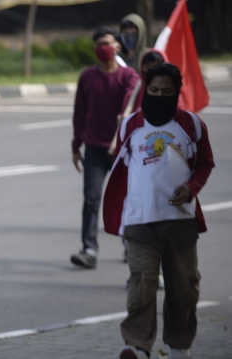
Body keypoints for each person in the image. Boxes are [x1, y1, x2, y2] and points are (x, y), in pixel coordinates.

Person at [103, 63, 215, 359]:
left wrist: (191, 188)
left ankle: (179, 346)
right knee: (142, 284)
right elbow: (120, 168)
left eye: (167, 92)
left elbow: (205, 163)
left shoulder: (191, 125)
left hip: (180, 223)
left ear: (176, 92)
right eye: (154, 91)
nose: (159, 95)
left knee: (183, 288)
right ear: (145, 90)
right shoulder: (129, 125)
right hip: (140, 222)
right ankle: (138, 347)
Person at [70, 27, 139, 269]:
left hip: (122, 150)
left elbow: (132, 98)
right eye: (98, 44)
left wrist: (126, 113)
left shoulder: (129, 77)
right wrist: (75, 146)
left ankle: (131, 247)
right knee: (91, 199)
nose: (102, 48)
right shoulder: (87, 77)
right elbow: (79, 114)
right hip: (94, 150)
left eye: (107, 43)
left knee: (128, 201)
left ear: (118, 47)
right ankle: (89, 250)